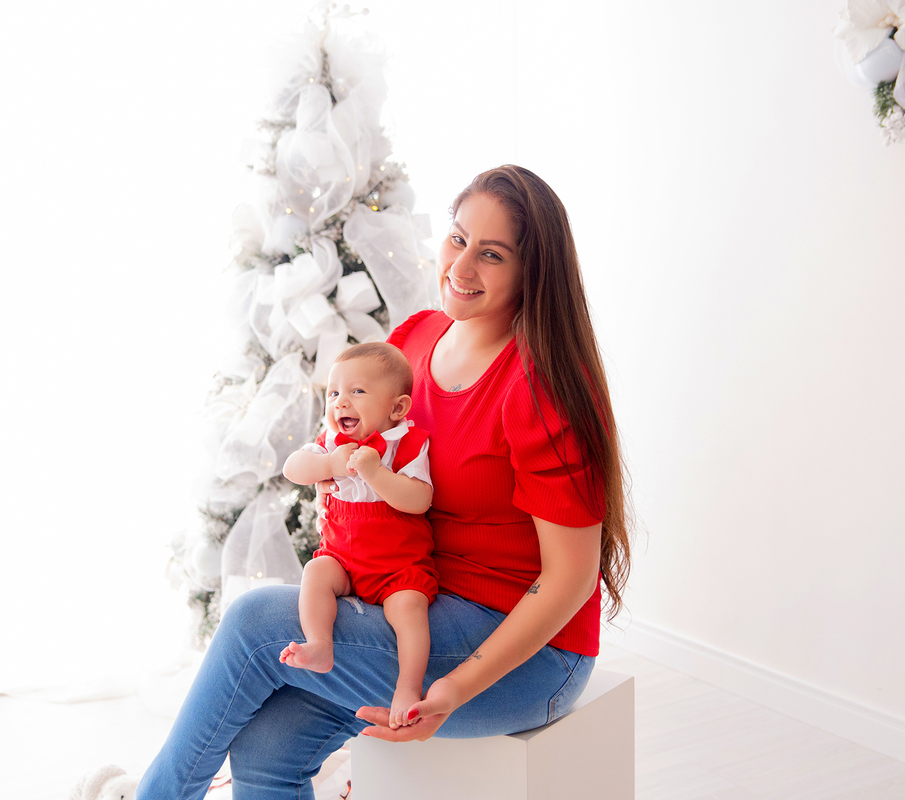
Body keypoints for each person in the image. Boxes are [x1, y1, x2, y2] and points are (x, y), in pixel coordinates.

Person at [137, 165, 631, 800]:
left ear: (531, 273)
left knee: (257, 622)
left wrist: (451, 689)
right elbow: (352, 447)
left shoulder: (541, 389)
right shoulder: (414, 340)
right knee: (267, 749)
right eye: (458, 239)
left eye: (492, 254)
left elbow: (568, 580)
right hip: (414, 600)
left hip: (526, 653)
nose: (462, 267)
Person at [279, 342, 439, 731]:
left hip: (398, 568)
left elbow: (420, 499)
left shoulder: (407, 443)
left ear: (396, 408)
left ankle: (407, 688)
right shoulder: (331, 443)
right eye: (334, 393)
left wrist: (377, 474)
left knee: (410, 611)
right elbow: (291, 467)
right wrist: (327, 464)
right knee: (316, 574)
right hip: (344, 561)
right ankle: (320, 645)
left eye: (357, 392)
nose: (341, 403)